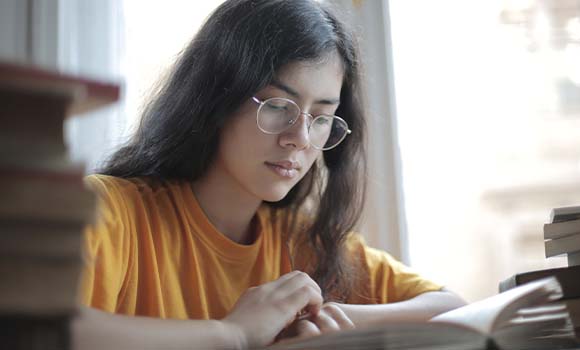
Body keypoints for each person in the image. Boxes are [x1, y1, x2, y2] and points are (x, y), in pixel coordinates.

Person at [72, 0, 466, 349]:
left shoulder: (306, 242)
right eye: (279, 106)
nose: (299, 138)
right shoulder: (107, 210)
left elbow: (451, 308)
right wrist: (233, 335)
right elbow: (33, 328)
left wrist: (332, 318)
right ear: (218, 96)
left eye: (322, 117)